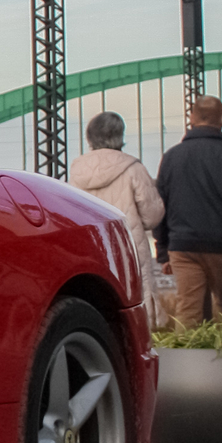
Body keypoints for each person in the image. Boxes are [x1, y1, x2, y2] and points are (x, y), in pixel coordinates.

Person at [154, 95, 222, 324]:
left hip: (183, 247)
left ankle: (189, 360)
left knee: (189, 313)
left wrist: (163, 251)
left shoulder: (171, 157)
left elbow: (161, 206)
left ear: (192, 118)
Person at [69, 111, 166, 322]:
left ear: (90, 137)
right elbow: (152, 216)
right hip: (129, 248)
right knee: (136, 310)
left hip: (92, 247)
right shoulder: (134, 168)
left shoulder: (76, 171)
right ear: (120, 135)